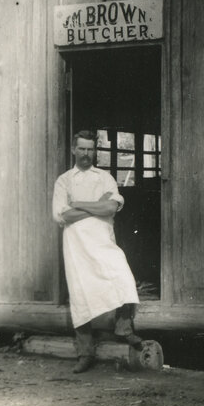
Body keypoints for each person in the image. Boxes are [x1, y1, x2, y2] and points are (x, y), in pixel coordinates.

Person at [52, 130, 141, 373]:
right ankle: (85, 353)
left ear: (95, 151)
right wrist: (96, 206)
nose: (86, 154)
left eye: (90, 149)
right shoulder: (64, 181)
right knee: (81, 295)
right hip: (76, 244)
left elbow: (111, 207)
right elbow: (62, 215)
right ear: (74, 150)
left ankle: (123, 327)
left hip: (102, 240)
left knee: (122, 277)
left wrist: (78, 204)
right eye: (81, 149)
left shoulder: (105, 178)